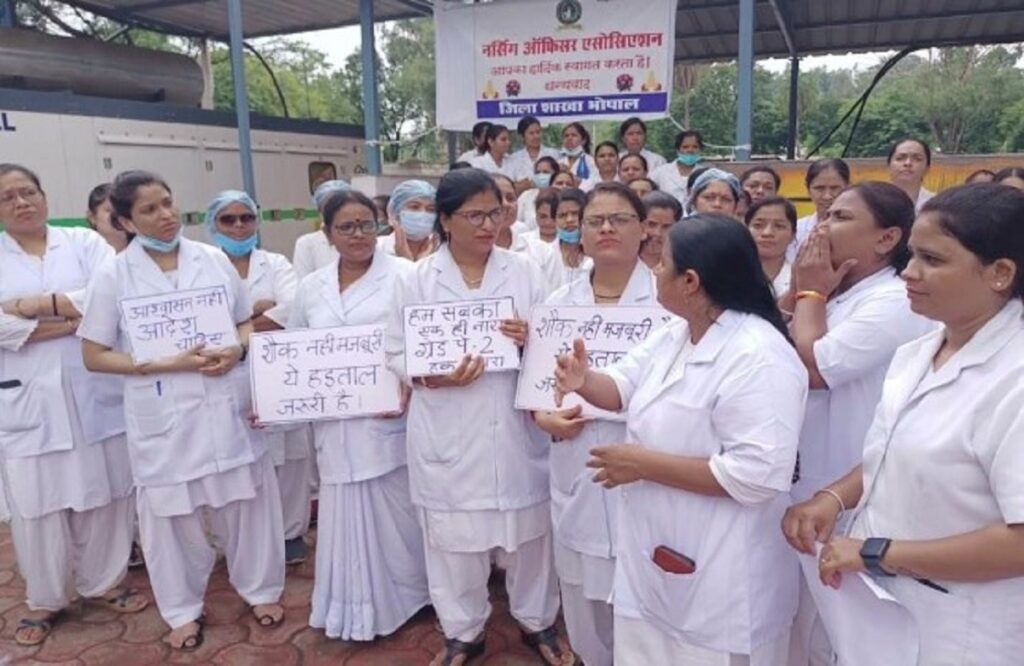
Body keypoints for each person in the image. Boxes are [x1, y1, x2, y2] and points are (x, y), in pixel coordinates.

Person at [783, 183, 1024, 665]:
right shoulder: (921, 351)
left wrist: (876, 553)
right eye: (912, 255)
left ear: (999, 273)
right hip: (887, 611)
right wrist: (835, 496)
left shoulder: (1014, 377)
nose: (909, 273)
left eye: (933, 261)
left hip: (965, 631)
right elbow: (890, 451)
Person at [554, 214, 808, 665]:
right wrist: (583, 379)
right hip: (660, 549)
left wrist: (643, 465)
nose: (654, 270)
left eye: (662, 263)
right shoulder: (677, 333)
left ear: (690, 281)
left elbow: (757, 477)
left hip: (721, 570)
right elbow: (620, 386)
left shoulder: (759, 357)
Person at [79, 170, 286, 651]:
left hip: (224, 401)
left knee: (248, 504)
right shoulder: (113, 274)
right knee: (172, 520)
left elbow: (244, 326)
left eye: (168, 203)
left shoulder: (213, 261)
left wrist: (237, 350)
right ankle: (182, 610)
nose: (166, 215)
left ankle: (261, 591)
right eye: (149, 209)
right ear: (126, 221)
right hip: (163, 409)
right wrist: (163, 363)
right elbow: (94, 354)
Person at [387, 168, 570, 666]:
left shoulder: (525, 270)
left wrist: (531, 335)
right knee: (451, 544)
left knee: (530, 536)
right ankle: (463, 632)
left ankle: (537, 621)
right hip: (447, 422)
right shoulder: (416, 279)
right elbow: (394, 352)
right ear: (445, 219)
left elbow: (554, 340)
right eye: (474, 215)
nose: (488, 224)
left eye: (495, 212)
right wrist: (432, 377)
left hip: (512, 426)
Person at [781, 181, 933, 666]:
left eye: (842, 218)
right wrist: (804, 291)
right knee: (807, 626)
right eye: (824, 216)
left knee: (851, 635)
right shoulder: (839, 296)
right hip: (812, 486)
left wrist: (808, 289)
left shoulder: (891, 301)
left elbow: (815, 368)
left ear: (887, 239)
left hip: (852, 489)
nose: (824, 227)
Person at [0, 163, 147, 647]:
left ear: (43, 196)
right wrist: (74, 317)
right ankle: (45, 598)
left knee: (106, 493)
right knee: (35, 505)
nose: (22, 203)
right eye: (8, 197)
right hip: (26, 401)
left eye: (28, 191)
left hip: (93, 392)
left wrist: (34, 307)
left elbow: (112, 295)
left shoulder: (84, 244)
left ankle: (105, 583)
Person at [291, 188, 430, 641]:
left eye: (366, 224)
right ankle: (349, 608)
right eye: (346, 227)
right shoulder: (310, 288)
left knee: (398, 517)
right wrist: (275, 401)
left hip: (390, 420)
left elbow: (422, 344)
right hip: (335, 424)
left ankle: (410, 598)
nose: (358, 235)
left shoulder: (408, 275)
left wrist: (408, 385)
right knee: (342, 513)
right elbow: (295, 354)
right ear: (326, 233)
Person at [534, 182, 657, 666]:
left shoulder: (672, 301)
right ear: (578, 232)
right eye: (594, 220)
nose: (606, 229)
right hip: (577, 460)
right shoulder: (557, 304)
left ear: (645, 229)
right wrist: (545, 416)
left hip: (643, 460)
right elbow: (540, 391)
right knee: (583, 592)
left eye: (620, 219)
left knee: (645, 592)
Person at [206, 190, 313, 565]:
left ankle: (289, 532)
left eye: (246, 218)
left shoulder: (276, 263)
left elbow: (293, 308)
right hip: (223, 372)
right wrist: (256, 315)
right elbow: (203, 325)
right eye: (228, 219)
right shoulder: (202, 266)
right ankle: (239, 539)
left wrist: (237, 323)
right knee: (234, 454)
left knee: (291, 453)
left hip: (277, 367)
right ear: (212, 224)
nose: (239, 226)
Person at [492, 174, 562, 290]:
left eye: (510, 198)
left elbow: (553, 301)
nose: (505, 204)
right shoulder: (471, 254)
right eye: (497, 198)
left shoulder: (543, 252)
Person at [792, 159, 851, 259]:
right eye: (819, 188)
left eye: (835, 188)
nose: (827, 196)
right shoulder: (796, 230)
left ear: (848, 188)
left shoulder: (860, 229)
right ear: (808, 190)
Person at [292, 179, 350, 280]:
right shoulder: (307, 244)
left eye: (341, 206)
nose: (336, 211)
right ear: (319, 211)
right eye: (329, 207)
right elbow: (303, 284)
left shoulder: (362, 238)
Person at [378, 179, 440, 261]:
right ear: (395, 213)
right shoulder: (377, 249)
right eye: (414, 207)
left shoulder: (443, 250)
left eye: (430, 209)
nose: (423, 214)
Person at [746, 196, 796, 296]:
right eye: (758, 225)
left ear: (793, 235)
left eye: (779, 226)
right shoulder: (728, 275)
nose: (767, 233)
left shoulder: (801, 279)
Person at [553, 188, 594, 289]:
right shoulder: (543, 256)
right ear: (554, 220)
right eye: (562, 215)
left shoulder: (597, 255)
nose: (569, 220)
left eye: (575, 214)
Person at [650, 130, 704, 205]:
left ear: (700, 150)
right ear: (678, 150)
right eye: (685, 147)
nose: (690, 150)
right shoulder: (660, 172)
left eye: (695, 147)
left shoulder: (705, 174)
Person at [509, 116, 561, 188]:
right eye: (531, 133)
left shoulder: (554, 154)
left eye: (538, 132)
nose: (536, 136)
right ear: (522, 136)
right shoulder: (514, 158)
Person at [515, 156, 562, 231]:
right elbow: (516, 221)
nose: (541, 175)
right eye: (538, 172)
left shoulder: (561, 196)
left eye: (545, 172)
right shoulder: (526, 195)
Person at [639, 191, 683, 270]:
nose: (657, 233)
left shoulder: (682, 265)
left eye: (666, 227)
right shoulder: (618, 261)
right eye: (651, 224)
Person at [887, 138, 933, 212]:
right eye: (900, 158)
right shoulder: (871, 201)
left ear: (927, 168)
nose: (908, 163)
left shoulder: (937, 205)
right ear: (889, 165)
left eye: (917, 159)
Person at [86, 183, 129, 252]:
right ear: (92, 217)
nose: (117, 215)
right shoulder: (82, 252)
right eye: (109, 210)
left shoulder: (145, 251)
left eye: (122, 209)